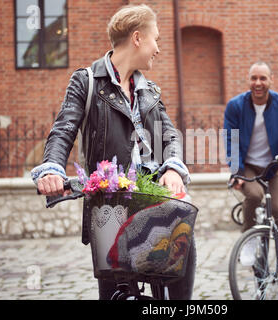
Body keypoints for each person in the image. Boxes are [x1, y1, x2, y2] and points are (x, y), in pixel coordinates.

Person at [31, 4, 195, 300]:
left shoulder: (149, 90)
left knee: (183, 243)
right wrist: (52, 169)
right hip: (110, 203)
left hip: (153, 197)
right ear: (137, 38)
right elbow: (63, 129)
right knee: (113, 290)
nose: (158, 49)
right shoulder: (87, 82)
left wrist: (172, 167)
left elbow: (169, 135)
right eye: (155, 39)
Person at [223, 61, 278, 292]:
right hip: (247, 165)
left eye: (263, 78)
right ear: (248, 80)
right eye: (254, 78)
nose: (258, 83)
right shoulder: (235, 106)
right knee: (254, 195)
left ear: (271, 80)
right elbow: (230, 140)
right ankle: (249, 239)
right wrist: (237, 173)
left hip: (273, 166)